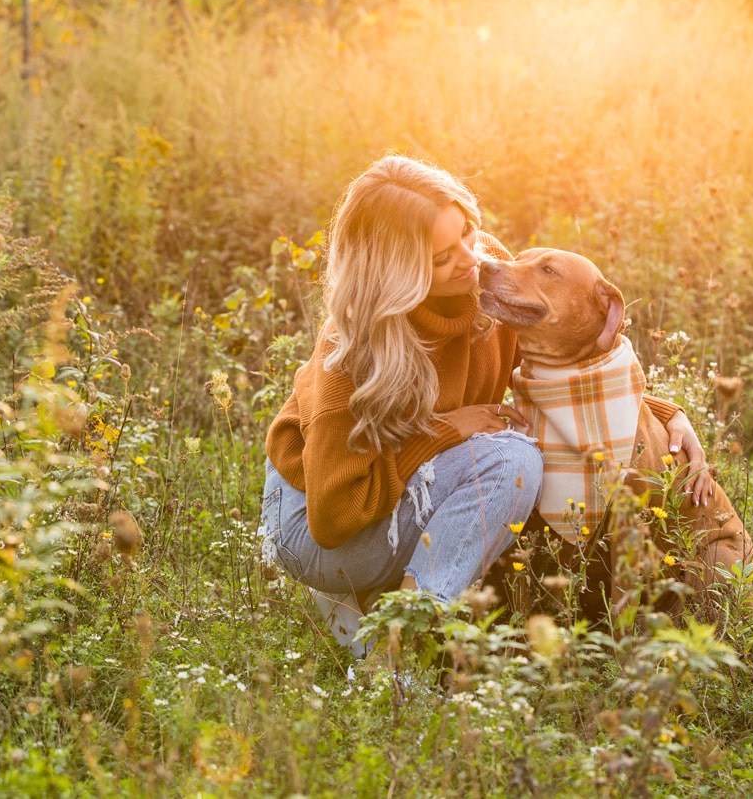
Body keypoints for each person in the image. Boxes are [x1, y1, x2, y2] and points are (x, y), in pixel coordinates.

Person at [260, 154, 713, 653]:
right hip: (318, 525)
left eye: (468, 233)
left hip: (395, 485)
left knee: (508, 457)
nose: (472, 260)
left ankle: (394, 610)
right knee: (512, 460)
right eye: (441, 257)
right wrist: (447, 431)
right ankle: (396, 653)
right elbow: (335, 516)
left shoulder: (488, 277)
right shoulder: (350, 353)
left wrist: (667, 416)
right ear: (394, 270)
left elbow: (562, 361)